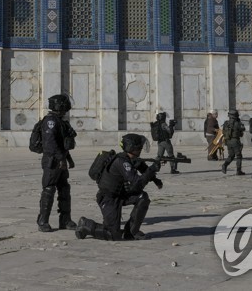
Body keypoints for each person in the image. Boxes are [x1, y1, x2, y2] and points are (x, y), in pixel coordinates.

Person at [75, 133, 161, 241]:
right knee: (113, 234)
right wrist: (152, 169)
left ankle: (131, 232)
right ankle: (85, 225)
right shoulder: (121, 162)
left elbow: (142, 167)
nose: (140, 149)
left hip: (121, 195)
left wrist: (155, 179)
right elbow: (137, 183)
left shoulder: (131, 158)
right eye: (138, 147)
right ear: (131, 147)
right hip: (108, 198)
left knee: (143, 197)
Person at [37, 93, 77, 232]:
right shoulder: (50, 121)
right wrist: (61, 159)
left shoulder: (60, 121)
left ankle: (65, 220)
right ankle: (43, 221)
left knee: (64, 189)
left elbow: (62, 143)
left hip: (60, 160)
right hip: (52, 161)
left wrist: (68, 159)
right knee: (49, 189)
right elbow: (50, 145)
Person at [220, 110, 245, 175]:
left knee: (231, 155)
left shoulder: (226, 123)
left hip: (228, 141)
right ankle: (238, 171)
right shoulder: (237, 123)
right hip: (235, 141)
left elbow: (223, 131)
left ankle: (224, 165)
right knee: (239, 156)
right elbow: (243, 129)